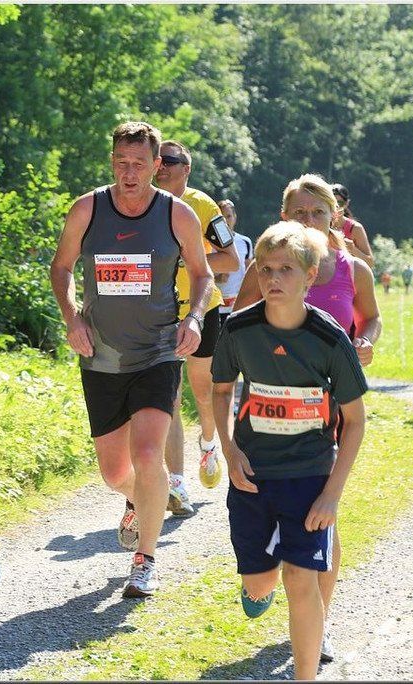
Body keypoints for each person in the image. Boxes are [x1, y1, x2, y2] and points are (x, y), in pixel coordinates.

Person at [49, 122, 213, 598]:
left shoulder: (176, 214)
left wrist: (195, 318)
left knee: (146, 454)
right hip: (100, 353)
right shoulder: (88, 209)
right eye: (121, 162)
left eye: (140, 163)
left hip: (158, 350)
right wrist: (72, 318)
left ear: (157, 166)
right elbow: (61, 267)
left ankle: (145, 560)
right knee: (115, 472)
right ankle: (140, 500)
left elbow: (202, 275)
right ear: (112, 162)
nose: (129, 172)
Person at [232, 173, 381, 663]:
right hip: (270, 409)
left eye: (318, 212)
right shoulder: (269, 264)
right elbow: (239, 325)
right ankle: (270, 573)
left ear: (335, 216)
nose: (309, 220)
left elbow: (371, 317)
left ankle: (319, 621)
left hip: (329, 404)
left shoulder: (352, 268)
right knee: (282, 509)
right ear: (283, 216)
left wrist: (365, 341)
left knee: (325, 512)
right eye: (299, 212)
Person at [154, 140, 239, 513]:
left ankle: (208, 443)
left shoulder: (202, 206)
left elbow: (231, 260)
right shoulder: (142, 204)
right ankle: (176, 484)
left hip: (202, 310)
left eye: (170, 160)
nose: (162, 166)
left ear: (186, 169)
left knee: (203, 392)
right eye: (158, 159)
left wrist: (186, 257)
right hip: (159, 314)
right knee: (169, 396)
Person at [216, 199, 255, 326]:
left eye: (229, 216)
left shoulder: (245, 242)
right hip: (214, 306)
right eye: (221, 217)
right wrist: (216, 278)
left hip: (238, 305)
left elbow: (250, 274)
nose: (225, 221)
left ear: (235, 217)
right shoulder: (208, 243)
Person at [330, 183, 374, 268]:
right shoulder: (320, 224)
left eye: (339, 203)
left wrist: (352, 249)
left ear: (346, 204)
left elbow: (370, 263)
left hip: (349, 274)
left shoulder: (355, 228)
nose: (335, 207)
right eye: (332, 203)